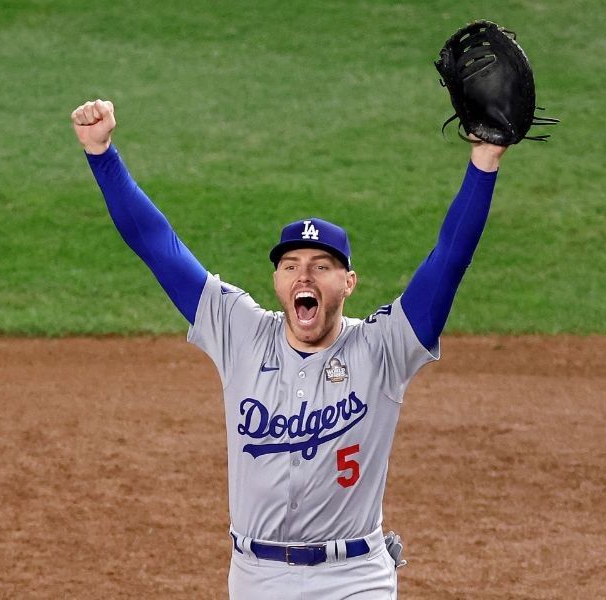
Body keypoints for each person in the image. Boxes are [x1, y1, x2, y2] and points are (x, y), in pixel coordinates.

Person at [71, 98, 507, 599]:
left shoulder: (384, 347)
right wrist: (101, 153)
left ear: (348, 283)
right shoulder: (239, 331)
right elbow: (156, 243)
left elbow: (449, 258)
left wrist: (484, 161)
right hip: (257, 576)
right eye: (291, 264)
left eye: (322, 265)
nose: (304, 274)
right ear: (277, 281)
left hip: (354, 579)